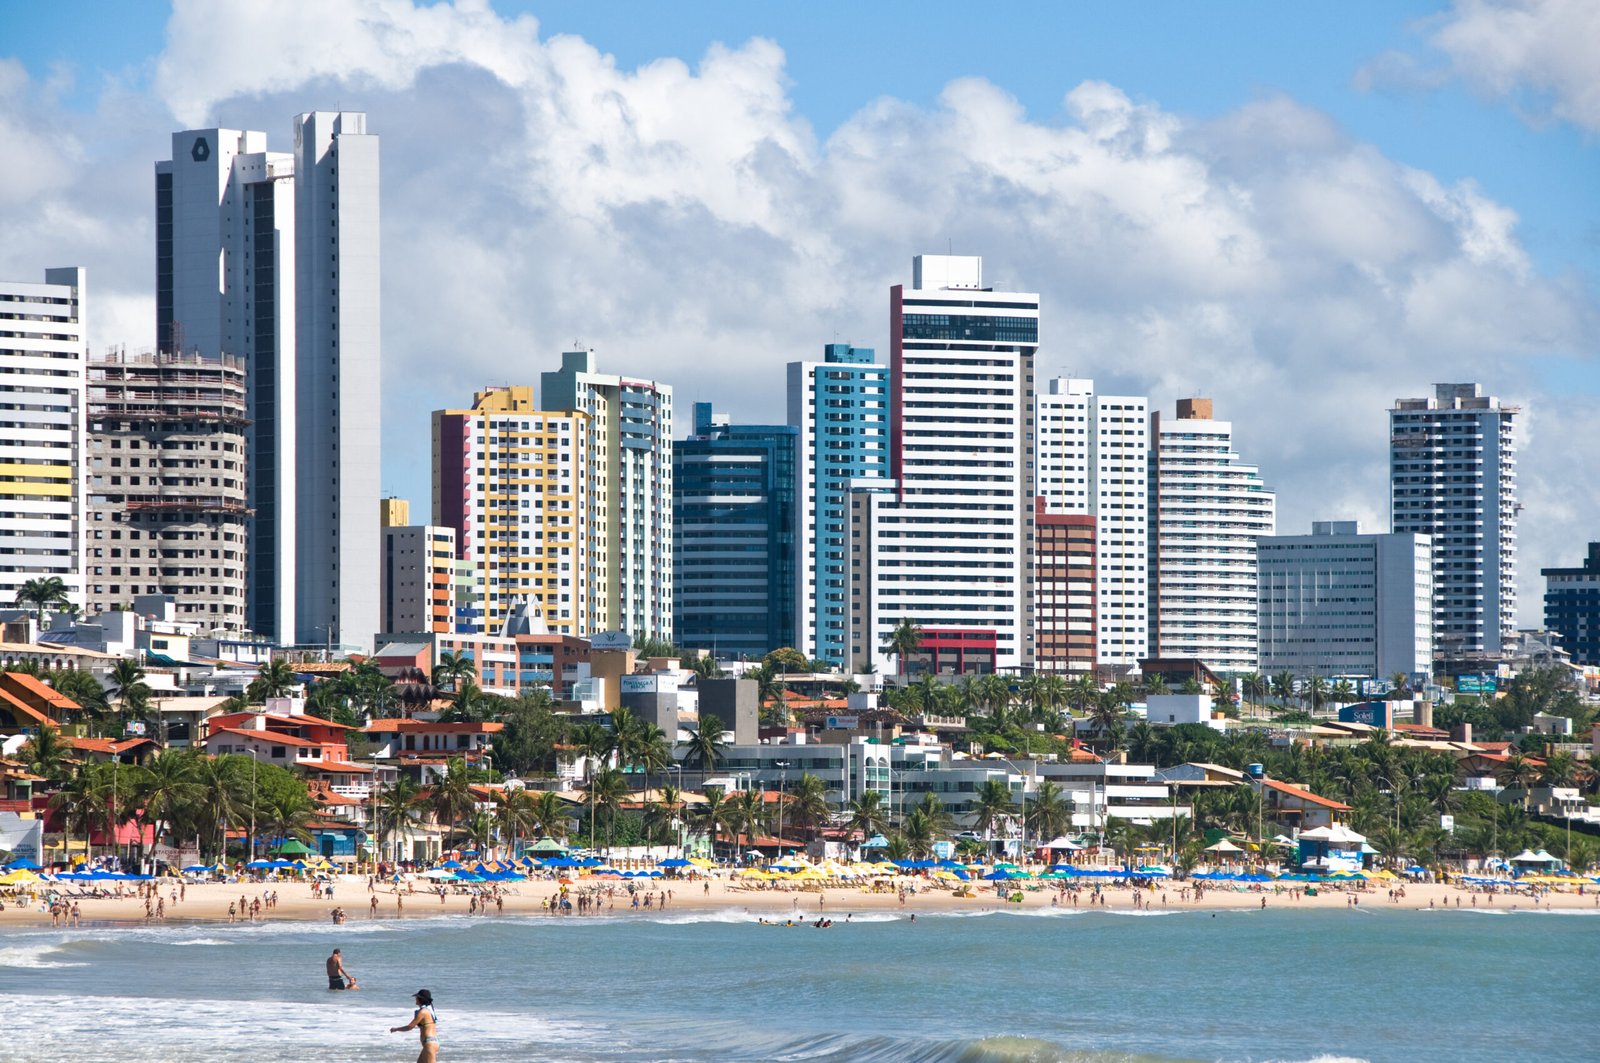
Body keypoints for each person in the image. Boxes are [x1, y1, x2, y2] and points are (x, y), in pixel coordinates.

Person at [391, 989, 440, 1062]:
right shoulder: (428, 1010)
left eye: (416, 998)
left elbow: (410, 1027)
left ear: (420, 999)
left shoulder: (423, 1011)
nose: (415, 999)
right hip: (430, 1043)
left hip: (430, 1044)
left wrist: (396, 1029)